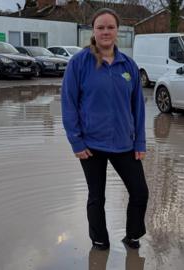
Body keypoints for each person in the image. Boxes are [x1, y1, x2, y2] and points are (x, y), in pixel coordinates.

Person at [61, 8, 149, 250]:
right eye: (101, 27)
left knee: (140, 192)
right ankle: (99, 241)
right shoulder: (79, 63)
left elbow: (138, 108)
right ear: (93, 31)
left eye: (110, 27)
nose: (106, 31)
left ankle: (133, 236)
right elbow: (68, 104)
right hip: (91, 146)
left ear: (117, 31)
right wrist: (76, 143)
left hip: (124, 143)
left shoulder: (128, 65)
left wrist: (140, 142)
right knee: (96, 196)